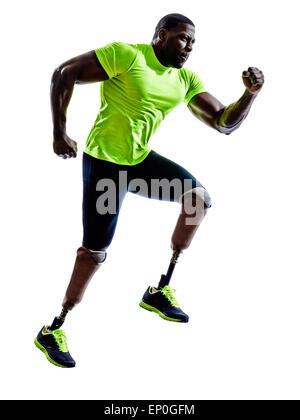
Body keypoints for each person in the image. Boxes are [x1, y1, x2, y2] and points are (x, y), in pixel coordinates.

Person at [34, 13, 264, 368]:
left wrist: (249, 94)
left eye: (193, 42)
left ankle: (159, 291)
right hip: (106, 167)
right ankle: (53, 328)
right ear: (162, 34)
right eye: (183, 38)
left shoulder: (185, 79)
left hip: (139, 164)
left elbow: (223, 123)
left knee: (198, 200)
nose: (189, 47)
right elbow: (66, 73)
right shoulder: (127, 55)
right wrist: (59, 132)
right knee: (94, 254)